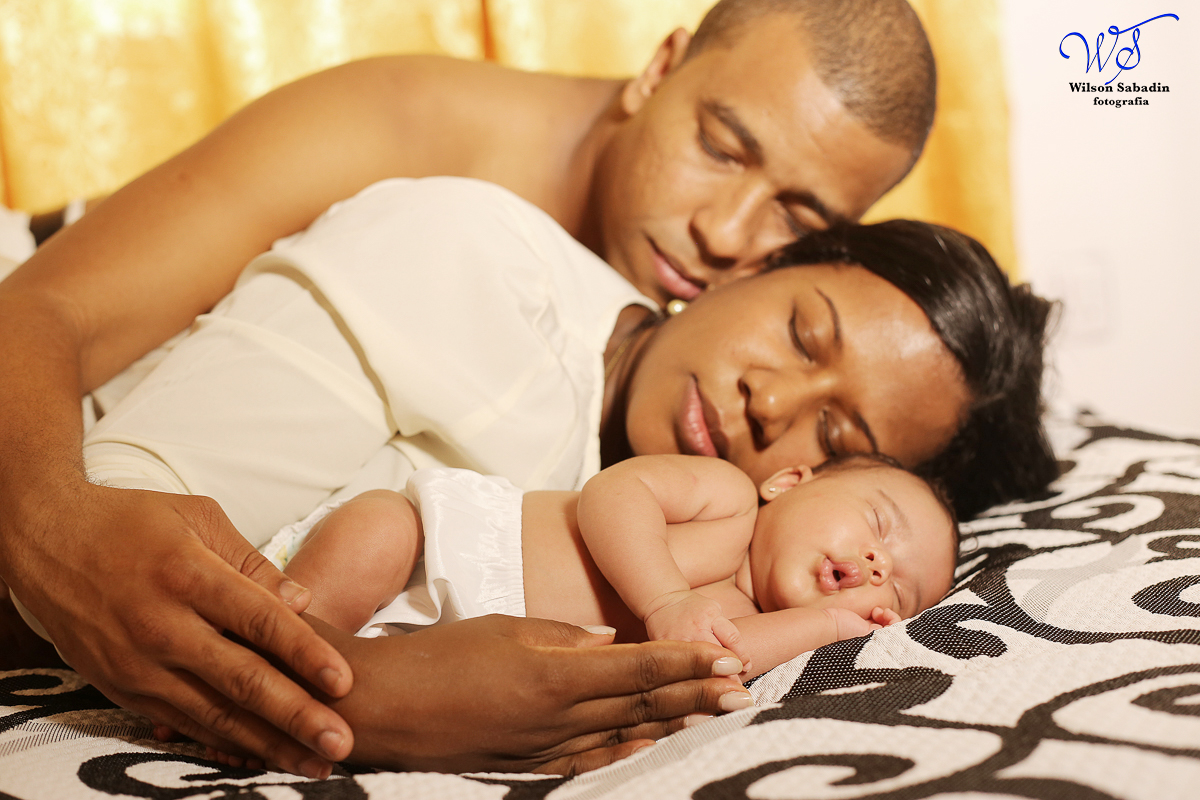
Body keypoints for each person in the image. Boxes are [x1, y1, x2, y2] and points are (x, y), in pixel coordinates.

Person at [0, 0, 968, 775]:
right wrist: (362, 697)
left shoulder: (678, 354)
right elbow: (41, 316)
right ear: (660, 67)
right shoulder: (421, 157)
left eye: (796, 213)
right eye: (721, 144)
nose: (727, 231)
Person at [274, 454, 957, 683]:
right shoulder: (726, 500)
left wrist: (833, 623)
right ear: (787, 481)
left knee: (368, 681)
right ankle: (269, 647)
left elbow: (721, 663)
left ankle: (289, 689)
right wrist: (662, 598)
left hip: (446, 655)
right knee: (375, 532)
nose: (877, 563)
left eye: (898, 587)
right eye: (876, 525)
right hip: (442, 546)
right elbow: (614, 494)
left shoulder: (754, 627)